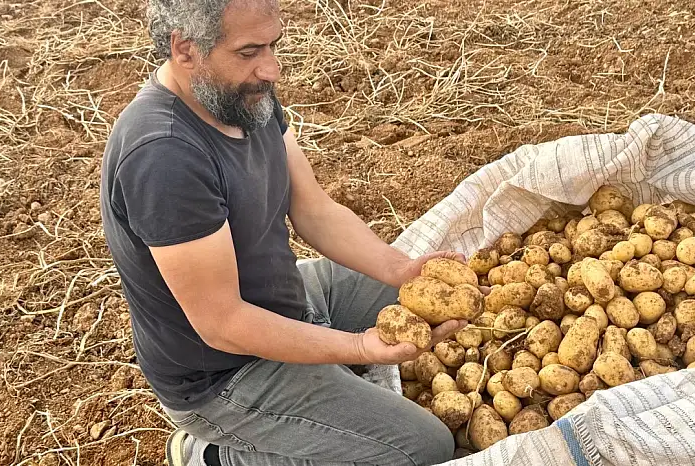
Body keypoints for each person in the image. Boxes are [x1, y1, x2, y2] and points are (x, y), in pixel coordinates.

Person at [99, 0, 472, 464]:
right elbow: (224, 324)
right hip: (226, 374)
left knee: (417, 287)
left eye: (273, 44)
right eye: (250, 50)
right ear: (185, 49)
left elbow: (313, 209)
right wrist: (357, 346)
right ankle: (212, 455)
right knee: (423, 447)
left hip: (288, 298)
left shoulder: (242, 96)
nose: (271, 68)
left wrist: (400, 268)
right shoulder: (164, 156)